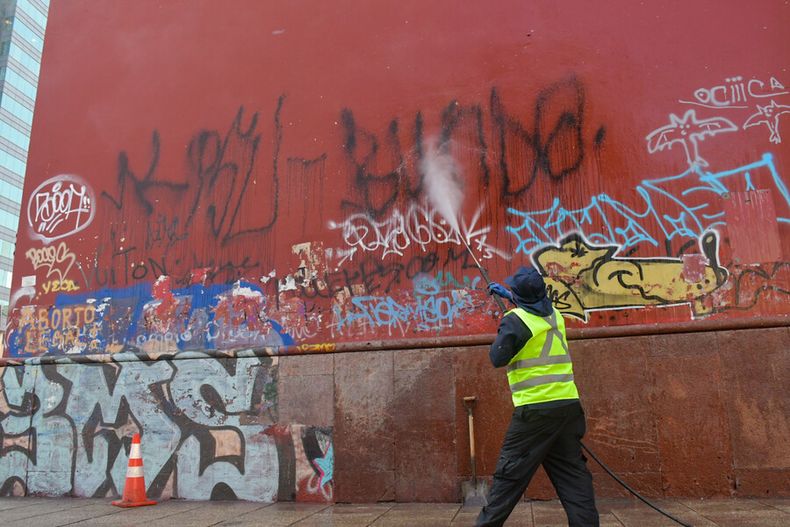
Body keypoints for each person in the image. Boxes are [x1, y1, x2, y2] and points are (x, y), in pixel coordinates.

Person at [475, 266, 599, 527]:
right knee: (574, 479)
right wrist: (511, 297)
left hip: (534, 414)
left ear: (520, 298)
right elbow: (534, 312)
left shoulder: (514, 321)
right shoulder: (556, 316)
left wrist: (508, 318)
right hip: (568, 409)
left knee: (508, 480)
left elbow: (498, 358)